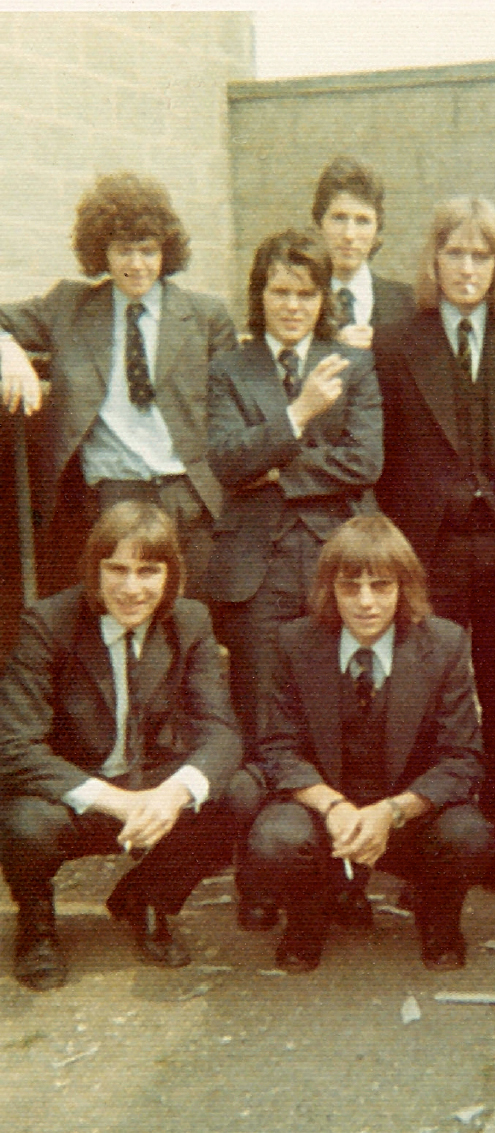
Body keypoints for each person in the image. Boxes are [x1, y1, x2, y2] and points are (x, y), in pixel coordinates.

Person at [373, 197, 495, 903]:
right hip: (427, 553)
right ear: (433, 260)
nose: (468, 268)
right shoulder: (393, 342)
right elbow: (383, 453)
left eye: (482, 255)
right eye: (455, 253)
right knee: (424, 703)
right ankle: (427, 856)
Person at [0, 501, 240, 990]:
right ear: (94, 569)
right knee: (22, 822)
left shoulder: (190, 621)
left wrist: (171, 796)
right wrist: (117, 801)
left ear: (172, 575)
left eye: (149, 571)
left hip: (150, 787)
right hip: (77, 794)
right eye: (117, 570)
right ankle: (37, 923)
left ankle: (147, 899)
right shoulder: (48, 623)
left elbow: (222, 732)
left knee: (239, 794)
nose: (132, 589)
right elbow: (13, 745)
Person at [241, 515, 494, 973]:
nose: (365, 602)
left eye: (381, 585)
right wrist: (334, 807)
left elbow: (462, 759)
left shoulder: (445, 643)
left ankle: (439, 923)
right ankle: (306, 921)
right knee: (275, 836)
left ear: (404, 587)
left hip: (407, 817)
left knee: (469, 833)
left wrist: (390, 812)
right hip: (325, 814)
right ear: (328, 588)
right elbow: (277, 748)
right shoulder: (293, 643)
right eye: (349, 586)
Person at [0, 172, 238, 593]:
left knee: (187, 624)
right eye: (123, 250)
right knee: (117, 621)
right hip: (110, 498)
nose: (136, 264)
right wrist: (7, 350)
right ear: (101, 252)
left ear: (165, 251)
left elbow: (231, 414)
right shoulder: (70, 306)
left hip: (186, 497)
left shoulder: (205, 316)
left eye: (147, 250)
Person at [203, 228, 383, 751]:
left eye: (306, 293)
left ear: (323, 297)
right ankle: (266, 827)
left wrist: (280, 471)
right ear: (260, 295)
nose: (293, 306)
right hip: (256, 567)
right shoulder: (230, 369)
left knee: (341, 698)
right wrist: (299, 412)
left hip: (336, 552)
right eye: (280, 292)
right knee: (261, 706)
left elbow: (365, 462)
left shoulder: (353, 365)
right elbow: (228, 461)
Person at [310, 155, 415, 350]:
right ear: (319, 223)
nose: (349, 235)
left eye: (363, 221)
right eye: (339, 218)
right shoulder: (299, 300)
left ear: (377, 230)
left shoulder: (409, 304)